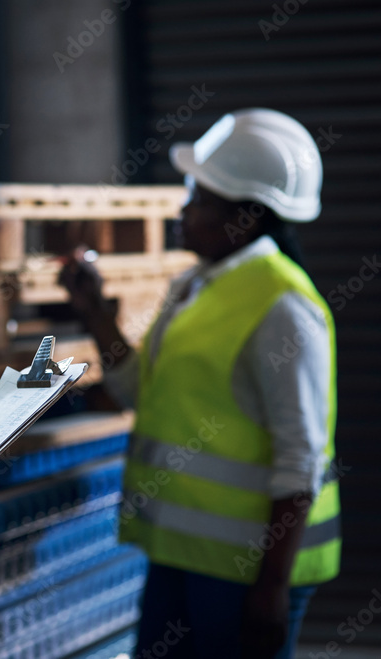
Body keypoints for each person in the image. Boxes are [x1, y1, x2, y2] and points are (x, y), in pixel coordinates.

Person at [61, 108, 340, 659]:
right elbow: (141, 391)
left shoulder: (283, 306)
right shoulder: (195, 286)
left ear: (247, 216)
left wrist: (271, 590)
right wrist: (93, 312)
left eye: (199, 201)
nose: (183, 212)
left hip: (246, 570)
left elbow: (300, 457)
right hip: (185, 555)